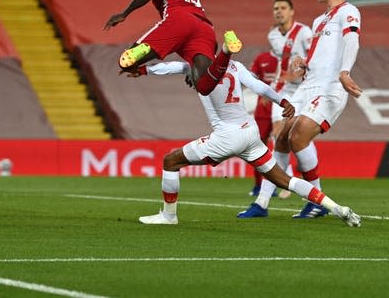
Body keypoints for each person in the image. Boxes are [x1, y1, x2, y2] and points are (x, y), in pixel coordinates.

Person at [131, 60, 360, 227]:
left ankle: (169, 216)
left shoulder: (197, 65)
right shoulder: (235, 65)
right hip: (250, 133)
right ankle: (337, 208)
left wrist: (142, 69)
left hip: (227, 138)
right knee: (285, 180)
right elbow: (259, 86)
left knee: (171, 161)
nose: (189, 78)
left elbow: (172, 67)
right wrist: (282, 101)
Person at [242, 0, 362, 220]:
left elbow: (352, 40)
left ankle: (316, 201)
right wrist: (304, 62)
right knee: (282, 137)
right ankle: (262, 204)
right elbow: (322, 54)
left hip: (330, 87)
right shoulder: (320, 20)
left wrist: (345, 72)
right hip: (309, 86)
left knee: (298, 135)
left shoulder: (349, 11)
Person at [103, 0, 242, 95]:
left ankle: (145, 48)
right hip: (205, 28)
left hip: (179, 20)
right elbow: (209, 45)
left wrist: (124, 13)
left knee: (125, 62)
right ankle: (227, 50)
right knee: (203, 86)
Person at [241, 0, 313, 206]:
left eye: (283, 8)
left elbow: (315, 59)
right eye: (275, 8)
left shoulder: (304, 33)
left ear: (292, 11)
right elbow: (284, 62)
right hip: (283, 93)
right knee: (278, 135)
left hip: (304, 90)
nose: (278, 12)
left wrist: (296, 74)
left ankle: (300, 179)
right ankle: (270, 195)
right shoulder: (273, 34)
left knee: (295, 139)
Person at [247, 48, 278, 196]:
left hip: (283, 109)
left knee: (284, 146)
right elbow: (249, 78)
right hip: (263, 110)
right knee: (259, 147)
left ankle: (280, 184)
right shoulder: (262, 58)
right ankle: (259, 185)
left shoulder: (291, 59)